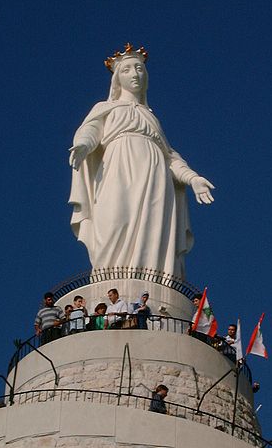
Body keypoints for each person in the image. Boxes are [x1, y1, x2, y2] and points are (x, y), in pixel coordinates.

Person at [68, 43, 215, 279]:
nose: (135, 74)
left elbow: (170, 157)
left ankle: (153, 280)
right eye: (127, 69)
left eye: (139, 69)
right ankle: (109, 278)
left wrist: (193, 178)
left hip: (155, 176)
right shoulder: (106, 108)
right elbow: (91, 130)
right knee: (113, 221)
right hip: (116, 168)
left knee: (153, 231)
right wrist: (83, 144)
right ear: (117, 78)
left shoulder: (150, 117)